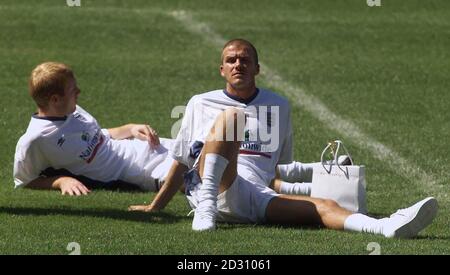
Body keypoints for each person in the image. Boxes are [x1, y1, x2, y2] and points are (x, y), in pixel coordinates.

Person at [130, 38, 439, 238]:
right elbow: (181, 159)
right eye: (232, 60)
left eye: (245, 59)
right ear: (222, 69)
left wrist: (310, 182)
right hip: (209, 189)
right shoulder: (201, 102)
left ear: (257, 68)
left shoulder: (279, 105)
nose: (239, 64)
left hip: (250, 197)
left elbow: (274, 169)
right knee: (234, 117)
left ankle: (385, 226)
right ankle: (207, 208)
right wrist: (157, 206)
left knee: (324, 205)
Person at [13, 62, 174, 196]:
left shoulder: (71, 110)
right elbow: (25, 181)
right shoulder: (36, 140)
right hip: (139, 172)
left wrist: (130, 129)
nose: (79, 92)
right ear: (55, 99)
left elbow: (100, 136)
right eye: (72, 90)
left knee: (196, 149)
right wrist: (61, 181)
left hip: (144, 147)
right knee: (190, 177)